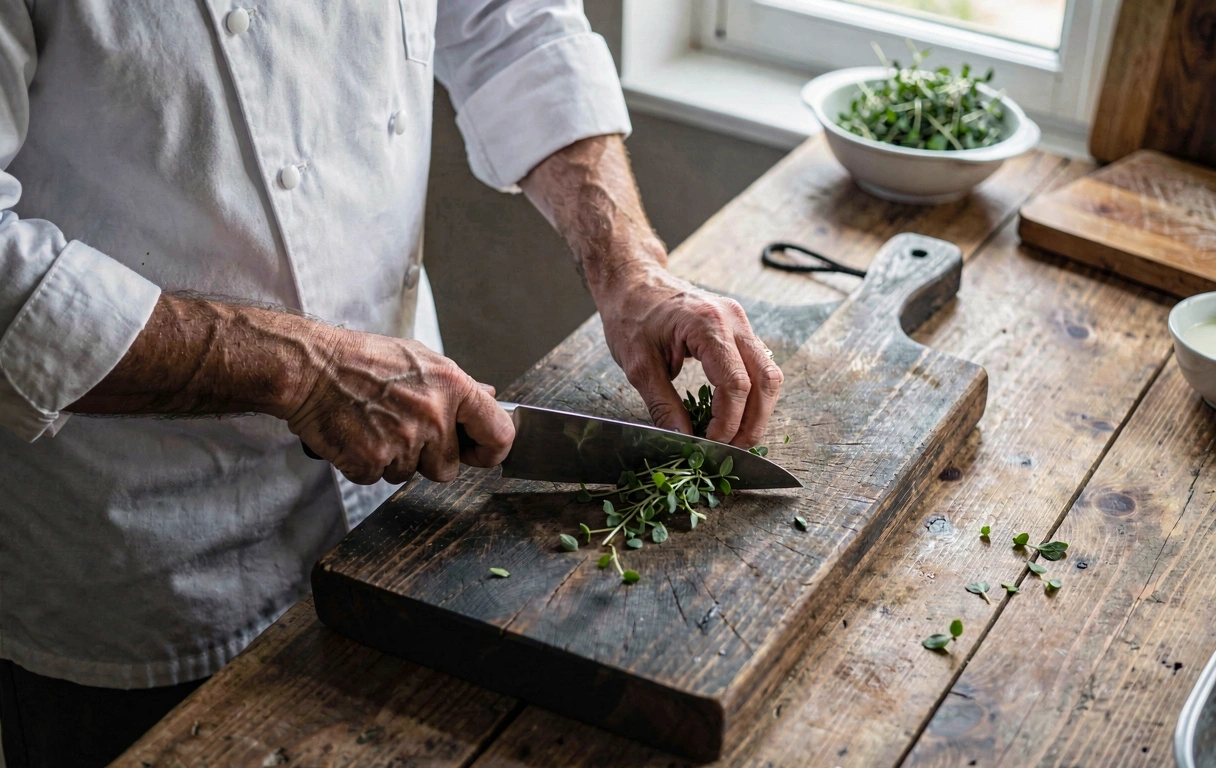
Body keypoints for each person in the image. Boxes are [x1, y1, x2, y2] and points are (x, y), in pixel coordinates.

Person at [0, 2, 784, 765]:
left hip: (405, 514)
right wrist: (306, 371)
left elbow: (512, 20)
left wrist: (629, 267)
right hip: (144, 562)